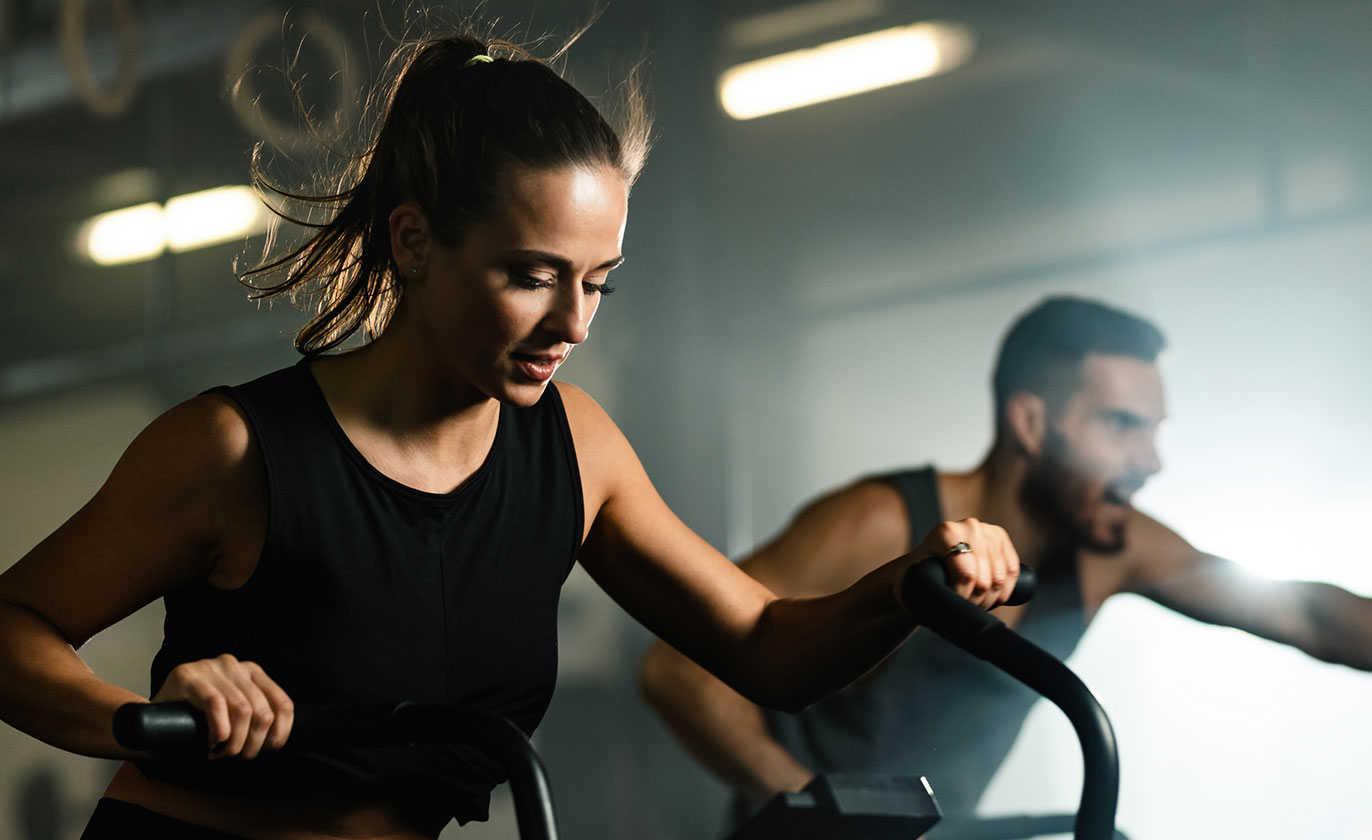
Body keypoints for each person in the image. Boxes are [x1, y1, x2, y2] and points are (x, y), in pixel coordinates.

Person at [0, 32, 1022, 840]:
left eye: (597, 284)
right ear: (415, 241)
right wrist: (138, 718)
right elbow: (13, 631)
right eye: (531, 275)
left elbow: (765, 648)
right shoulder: (236, 448)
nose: (572, 324)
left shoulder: (576, 450)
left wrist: (908, 585)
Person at [639, 296, 1372, 828]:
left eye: (1156, 429)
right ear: (1031, 422)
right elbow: (678, 668)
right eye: (1124, 425)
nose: (1152, 459)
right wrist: (816, 809)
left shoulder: (1109, 550)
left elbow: (1309, 616)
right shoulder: (889, 518)